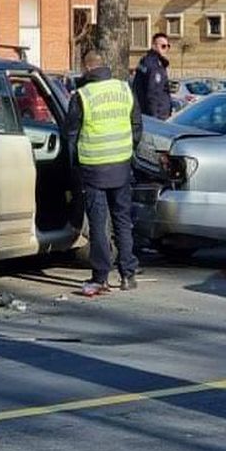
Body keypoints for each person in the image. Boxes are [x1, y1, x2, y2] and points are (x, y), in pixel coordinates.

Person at [65, 50, 143, 295]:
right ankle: (128, 274)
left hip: (93, 169)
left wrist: (74, 166)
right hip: (121, 165)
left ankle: (101, 277)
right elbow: (137, 126)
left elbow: (71, 137)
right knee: (122, 220)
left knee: (98, 223)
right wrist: (128, 150)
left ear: (87, 68)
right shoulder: (124, 89)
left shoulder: (82, 96)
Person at [132, 32, 172, 120]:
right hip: (157, 116)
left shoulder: (146, 61)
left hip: (148, 114)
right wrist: (155, 119)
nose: (165, 49)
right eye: (163, 46)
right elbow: (153, 93)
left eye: (167, 46)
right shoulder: (154, 65)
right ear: (154, 46)